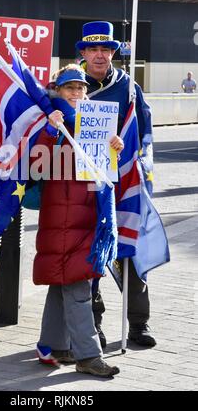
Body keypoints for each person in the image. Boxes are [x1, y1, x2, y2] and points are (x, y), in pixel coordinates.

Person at [32, 64, 123, 377]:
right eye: (69, 88)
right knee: (77, 286)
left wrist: (115, 149)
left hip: (84, 216)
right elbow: (36, 167)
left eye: (81, 88)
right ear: (58, 90)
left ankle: (53, 346)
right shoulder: (50, 119)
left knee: (63, 283)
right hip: (64, 217)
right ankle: (87, 355)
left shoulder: (93, 121)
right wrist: (50, 131)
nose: (76, 93)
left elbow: (105, 172)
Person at [75, 21, 156, 348]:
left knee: (130, 253)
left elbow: (146, 134)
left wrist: (141, 164)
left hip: (123, 184)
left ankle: (138, 323)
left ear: (113, 53)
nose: (99, 55)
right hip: (82, 184)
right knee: (89, 255)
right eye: (92, 49)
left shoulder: (129, 88)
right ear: (83, 52)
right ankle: (93, 324)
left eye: (105, 49)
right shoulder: (69, 85)